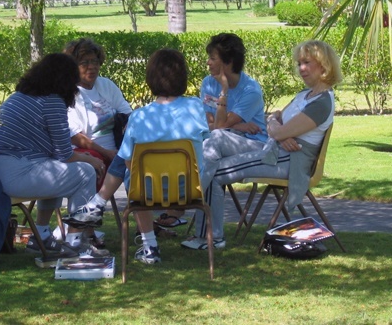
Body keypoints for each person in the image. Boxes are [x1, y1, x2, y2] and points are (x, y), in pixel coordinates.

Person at [182, 39, 343, 250]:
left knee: (215, 170)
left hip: (288, 161)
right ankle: (200, 214)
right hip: (274, 149)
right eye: (299, 63)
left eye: (307, 63)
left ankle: (206, 230)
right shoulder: (305, 95)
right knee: (217, 138)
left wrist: (278, 129)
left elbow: (279, 126)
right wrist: (277, 129)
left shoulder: (321, 102)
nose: (301, 68)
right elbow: (273, 120)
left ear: (324, 65)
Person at [0, 53, 110, 260]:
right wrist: (92, 160)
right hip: (14, 174)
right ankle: (75, 243)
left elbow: (57, 156)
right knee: (85, 173)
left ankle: (40, 234)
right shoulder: (52, 101)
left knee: (54, 167)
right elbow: (64, 154)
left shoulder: (19, 97)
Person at [156, 33, 268, 231]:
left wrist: (224, 92)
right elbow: (209, 123)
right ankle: (209, 238)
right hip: (221, 141)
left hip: (254, 145)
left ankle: (180, 203)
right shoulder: (208, 82)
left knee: (214, 139)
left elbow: (218, 127)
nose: (208, 63)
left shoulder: (251, 91)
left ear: (228, 62)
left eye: (213, 58)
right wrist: (236, 125)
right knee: (208, 162)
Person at [117, 48, 210, 264]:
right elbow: (205, 137)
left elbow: (128, 161)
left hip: (146, 192)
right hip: (189, 189)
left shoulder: (139, 116)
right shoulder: (196, 107)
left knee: (131, 176)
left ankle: (149, 244)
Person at [62, 38, 133, 247]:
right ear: (73, 67)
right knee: (93, 166)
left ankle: (147, 231)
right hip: (87, 150)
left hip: (117, 150)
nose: (91, 67)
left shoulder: (106, 85)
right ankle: (86, 230)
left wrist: (126, 140)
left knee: (136, 168)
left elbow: (128, 114)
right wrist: (107, 153)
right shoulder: (70, 93)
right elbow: (76, 136)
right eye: (84, 63)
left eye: (94, 61)